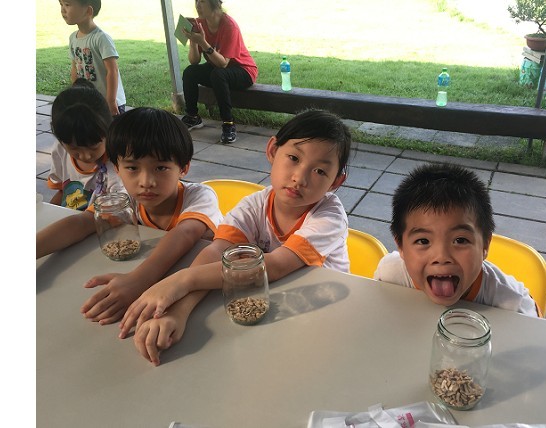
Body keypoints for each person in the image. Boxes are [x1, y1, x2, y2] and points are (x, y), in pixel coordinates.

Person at [118, 109, 352, 365]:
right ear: (273, 151)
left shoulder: (329, 217)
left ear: (335, 182)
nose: (299, 178)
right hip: (271, 308)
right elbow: (216, 251)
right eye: (294, 158)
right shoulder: (254, 205)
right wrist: (178, 311)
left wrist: (181, 279)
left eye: (320, 171)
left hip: (323, 317)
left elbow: (274, 266)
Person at [37, 107, 225, 325]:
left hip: (207, 293)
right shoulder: (124, 197)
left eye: (161, 168)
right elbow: (83, 222)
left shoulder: (200, 196)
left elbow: (185, 233)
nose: (146, 182)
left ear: (183, 168)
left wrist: (139, 280)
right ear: (117, 168)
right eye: (132, 168)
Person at [373, 163, 540, 317]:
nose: (441, 257)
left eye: (460, 240)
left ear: (485, 246)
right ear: (401, 246)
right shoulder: (389, 276)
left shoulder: (513, 303)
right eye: (423, 241)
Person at [180, 0, 258, 144]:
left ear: (214, 3)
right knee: (190, 72)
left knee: (218, 74)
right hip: (217, 69)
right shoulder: (199, 23)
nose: (197, 5)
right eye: (196, 1)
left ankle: (228, 124)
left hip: (243, 70)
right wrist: (194, 42)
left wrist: (203, 42)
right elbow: (194, 61)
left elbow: (223, 63)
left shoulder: (230, 26)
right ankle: (192, 116)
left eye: (202, 1)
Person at [48, 78, 122, 210]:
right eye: (74, 149)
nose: (85, 156)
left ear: (108, 130)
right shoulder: (60, 151)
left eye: (94, 147)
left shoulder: (117, 162)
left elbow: (116, 210)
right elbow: (61, 192)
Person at [60, 0, 127, 115]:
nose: (62, 10)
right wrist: (76, 93)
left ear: (88, 11)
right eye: (61, 5)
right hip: (88, 101)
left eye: (67, 5)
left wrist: (111, 101)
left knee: (110, 127)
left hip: (108, 102)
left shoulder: (101, 38)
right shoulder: (73, 38)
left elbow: (112, 71)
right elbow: (75, 68)